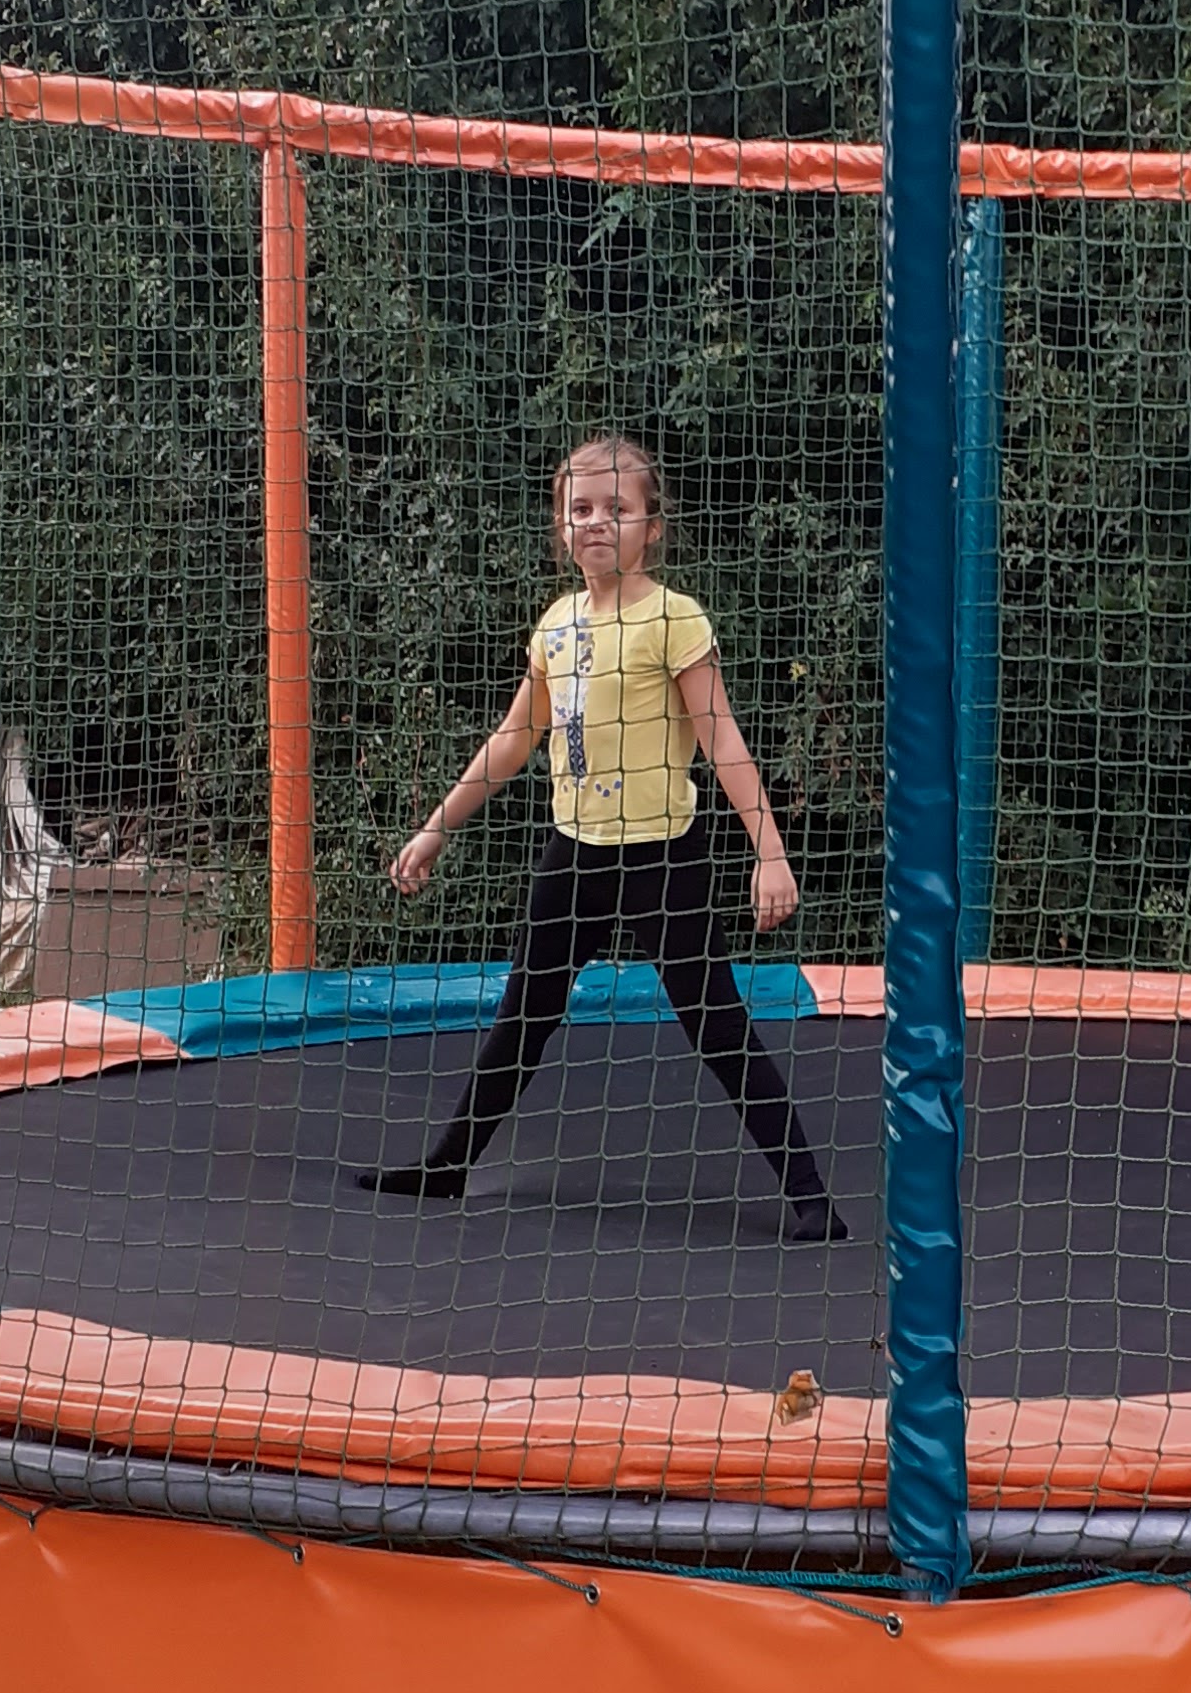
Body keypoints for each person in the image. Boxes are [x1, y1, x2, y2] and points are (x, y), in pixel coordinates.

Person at [361, 435, 847, 1240]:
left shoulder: (673, 618)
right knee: (524, 1013)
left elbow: (722, 737)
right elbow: (514, 739)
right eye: (579, 509)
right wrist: (436, 829)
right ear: (561, 527)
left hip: (663, 856)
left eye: (615, 509)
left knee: (716, 1025)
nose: (594, 522)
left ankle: (810, 1195)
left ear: (651, 527)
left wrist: (770, 852)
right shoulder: (556, 625)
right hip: (575, 853)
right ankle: (448, 1166)